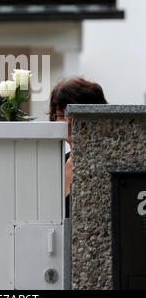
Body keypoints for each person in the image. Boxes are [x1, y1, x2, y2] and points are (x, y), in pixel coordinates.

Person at [48, 78, 108, 218]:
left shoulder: (104, 165)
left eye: (75, 114)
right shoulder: (54, 164)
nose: (68, 122)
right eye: (62, 115)